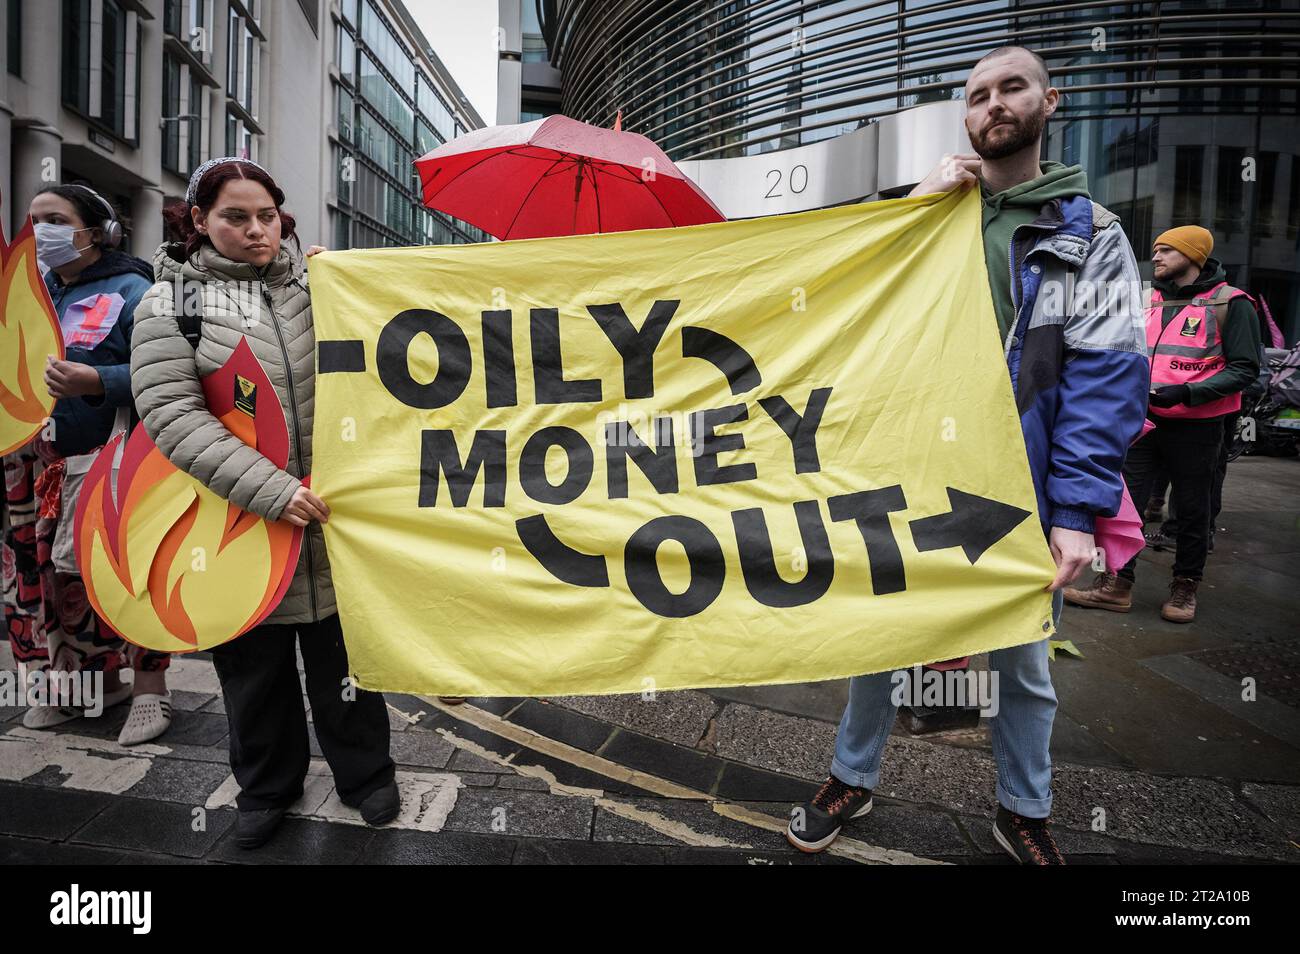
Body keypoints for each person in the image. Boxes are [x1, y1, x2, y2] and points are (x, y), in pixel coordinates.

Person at [785, 47, 1149, 864]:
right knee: (881, 640)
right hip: (909, 472)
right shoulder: (930, 211)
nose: (994, 104)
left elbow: (1110, 376)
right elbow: (843, 307)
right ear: (966, 118)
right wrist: (909, 214)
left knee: (1022, 658)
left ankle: (1023, 808)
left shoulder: (1094, 233)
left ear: (1049, 102)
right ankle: (853, 775)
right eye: (978, 94)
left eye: (1011, 88)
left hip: (1017, 483)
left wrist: (1075, 510)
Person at [129, 157, 397, 848]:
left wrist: (351, 286)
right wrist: (275, 492)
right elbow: (173, 416)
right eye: (235, 217)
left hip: (337, 526)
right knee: (254, 675)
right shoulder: (171, 305)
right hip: (236, 527)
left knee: (348, 666)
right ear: (198, 222)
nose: (256, 231)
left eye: (266, 216)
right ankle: (267, 787)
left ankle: (365, 776)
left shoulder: (319, 283)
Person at [3, 183, 172, 745]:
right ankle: (83, 686)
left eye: (54, 219)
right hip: (37, 466)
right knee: (50, 579)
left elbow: (168, 373)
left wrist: (98, 379)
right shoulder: (32, 291)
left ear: (96, 232)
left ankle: (150, 690)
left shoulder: (136, 288)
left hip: (116, 463)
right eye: (33, 220)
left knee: (125, 570)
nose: (40, 231)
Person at [1065, 226, 1260, 622]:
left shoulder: (1231, 303)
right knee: (1124, 506)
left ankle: (1185, 587)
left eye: (1167, 250)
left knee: (1192, 509)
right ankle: (1114, 585)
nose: (1156, 257)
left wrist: (1188, 393)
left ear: (1194, 256)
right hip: (1142, 422)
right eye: (1155, 249)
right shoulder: (1146, 300)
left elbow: (1245, 369)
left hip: (1198, 427)